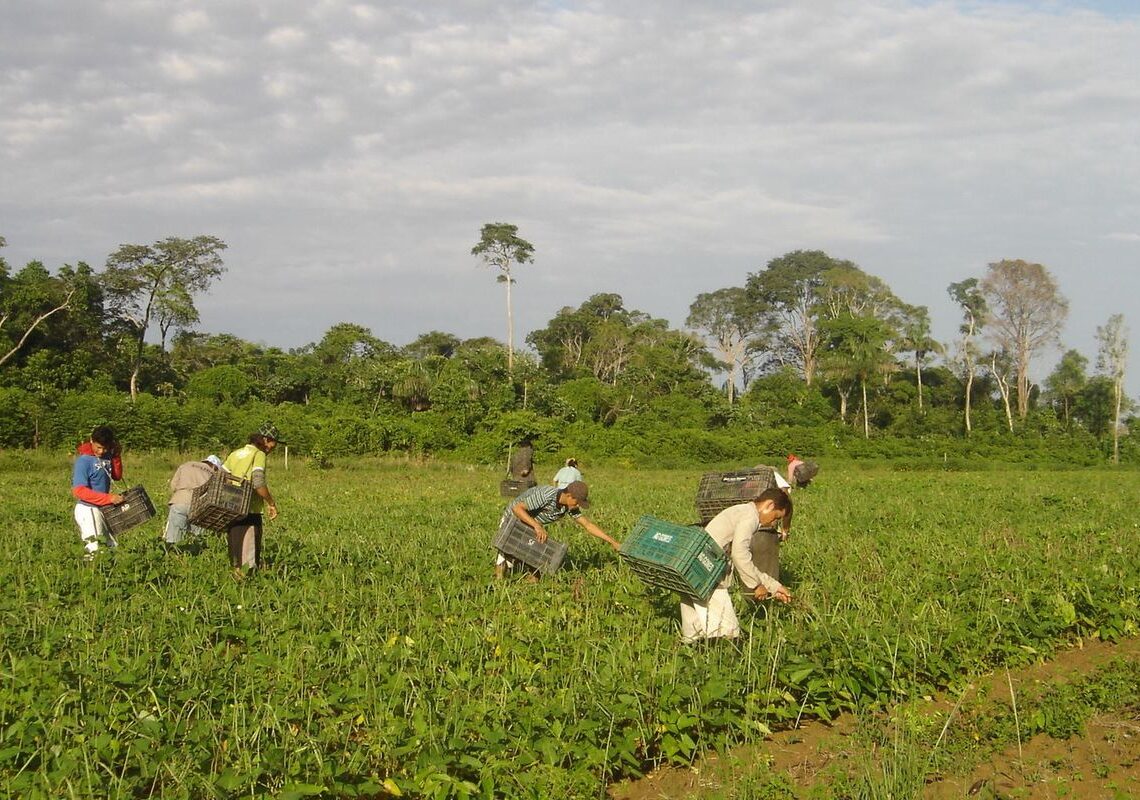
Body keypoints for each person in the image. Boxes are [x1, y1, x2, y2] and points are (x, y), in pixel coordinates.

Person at [680, 487, 793, 643]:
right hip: (708, 573)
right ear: (769, 505)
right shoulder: (750, 517)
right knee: (728, 635)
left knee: (693, 634)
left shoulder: (741, 510)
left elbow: (743, 560)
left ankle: (692, 657)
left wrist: (774, 586)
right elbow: (740, 554)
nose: (774, 523)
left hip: (691, 567)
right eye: (776, 518)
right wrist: (756, 585)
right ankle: (721, 661)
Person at [494, 480, 620, 579]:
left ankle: (530, 584)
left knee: (534, 557)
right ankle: (499, 584)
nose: (577, 506)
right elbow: (517, 508)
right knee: (507, 552)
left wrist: (612, 541)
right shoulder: (546, 495)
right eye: (577, 502)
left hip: (531, 524)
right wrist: (537, 526)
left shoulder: (568, 506)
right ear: (569, 495)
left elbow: (587, 525)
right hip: (512, 519)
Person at [222, 424, 282, 578]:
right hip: (250, 510)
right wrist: (271, 503)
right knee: (248, 557)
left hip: (232, 508)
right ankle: (246, 587)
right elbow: (258, 482)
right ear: (266, 440)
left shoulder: (235, 454)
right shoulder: (259, 454)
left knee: (236, 553)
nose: (271, 449)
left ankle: (236, 580)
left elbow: (221, 478)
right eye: (272, 445)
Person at [71, 425, 125, 559]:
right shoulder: (84, 461)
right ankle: (91, 573)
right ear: (91, 441)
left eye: (105, 448)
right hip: (88, 508)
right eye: (98, 447)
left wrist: (116, 456)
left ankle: (109, 575)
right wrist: (109, 498)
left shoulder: (107, 456)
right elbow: (79, 491)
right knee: (94, 548)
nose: (101, 451)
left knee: (112, 546)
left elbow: (117, 476)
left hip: (103, 508)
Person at [164, 455, 222, 549]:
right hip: (200, 505)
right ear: (215, 467)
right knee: (198, 539)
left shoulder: (186, 465)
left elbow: (173, 485)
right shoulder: (213, 474)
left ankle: (171, 556)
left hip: (180, 501)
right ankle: (195, 555)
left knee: (173, 537)